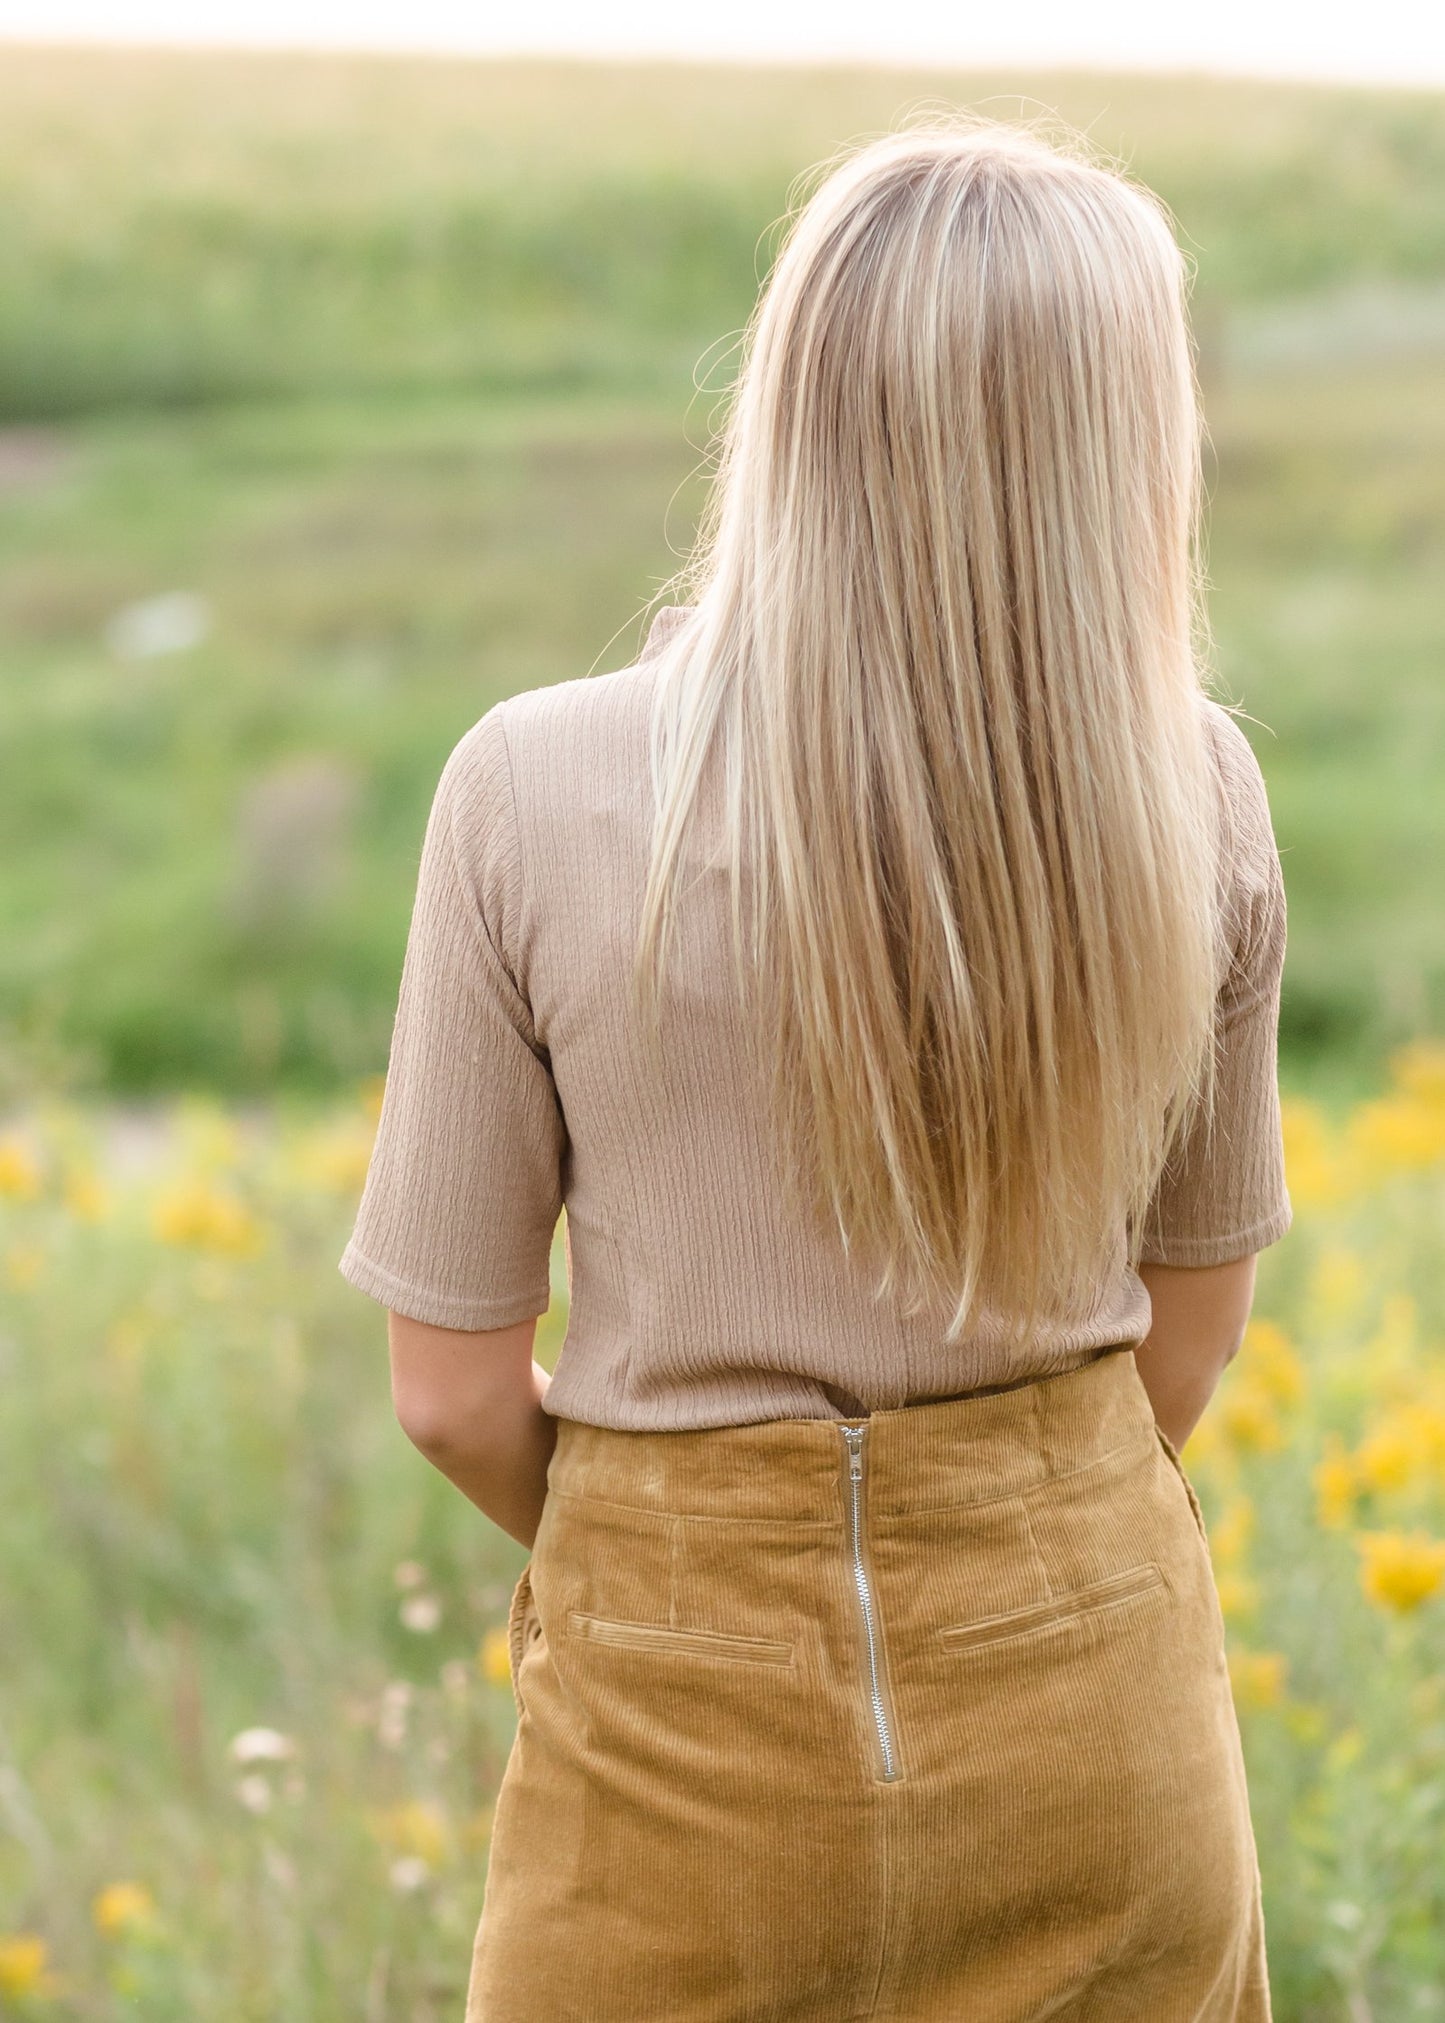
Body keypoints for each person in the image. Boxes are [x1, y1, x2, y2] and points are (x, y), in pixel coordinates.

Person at [338, 112, 1292, 2022]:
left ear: (791, 398)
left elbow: (449, 1393)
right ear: (1120, 444)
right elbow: (1187, 1346)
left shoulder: (528, 785)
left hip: (681, 1758)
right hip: (1102, 1721)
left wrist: (696, 1558)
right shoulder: (1197, 790)